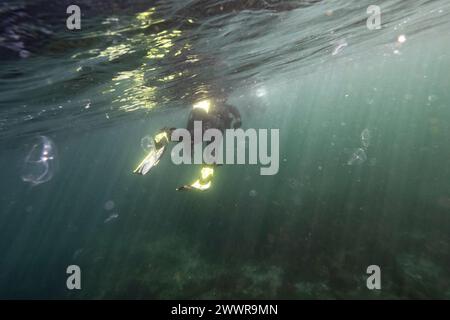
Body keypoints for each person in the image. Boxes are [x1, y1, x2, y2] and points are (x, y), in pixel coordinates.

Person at [133, 97, 241, 191]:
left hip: (213, 125)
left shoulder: (224, 106)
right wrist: (237, 120)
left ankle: (206, 175)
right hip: (213, 123)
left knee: (207, 148)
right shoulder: (222, 105)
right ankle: (166, 135)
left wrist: (238, 120)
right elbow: (234, 112)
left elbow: (234, 112)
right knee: (203, 144)